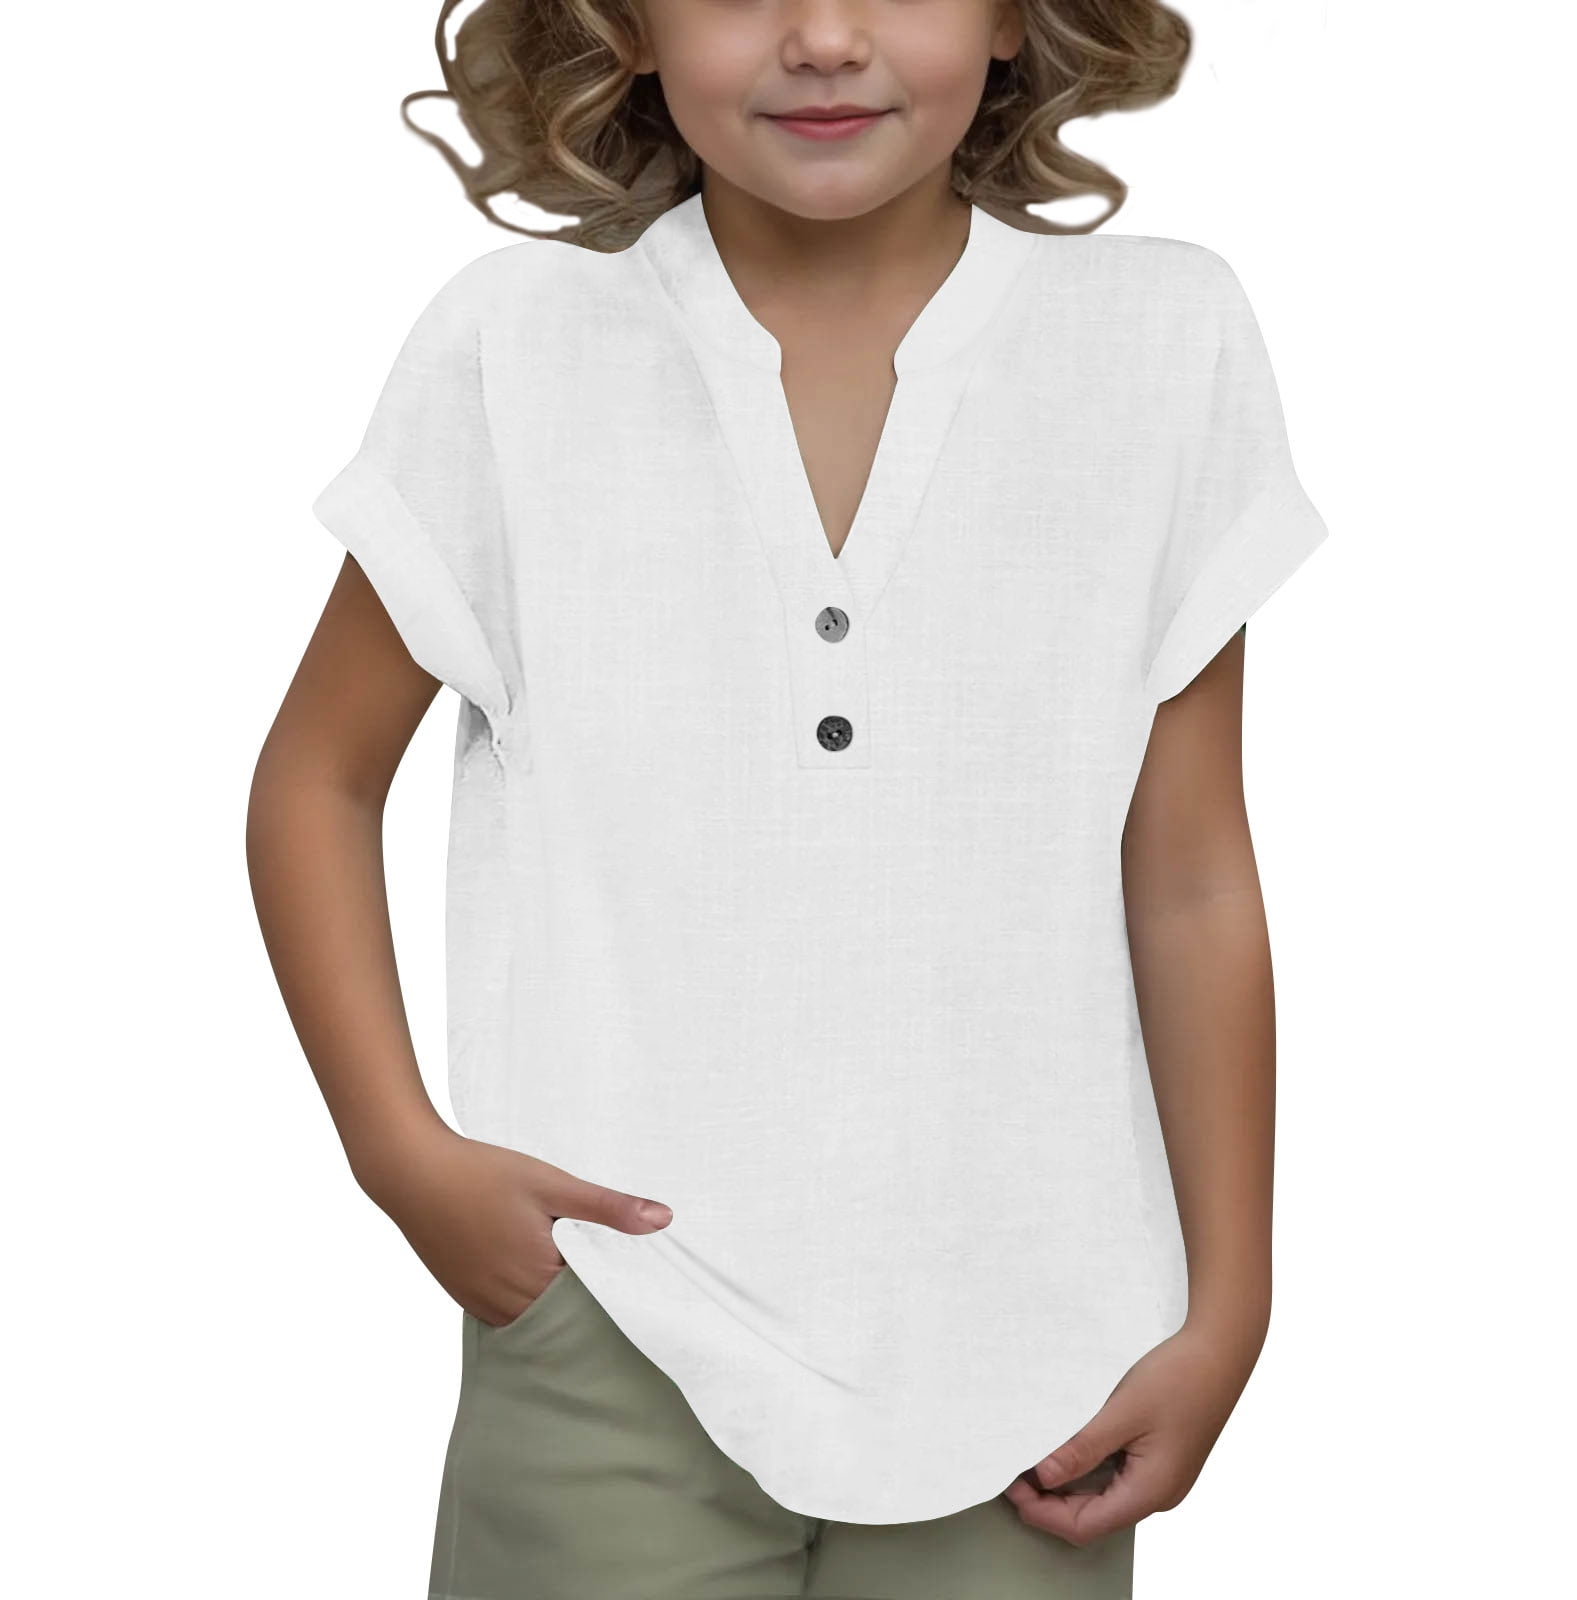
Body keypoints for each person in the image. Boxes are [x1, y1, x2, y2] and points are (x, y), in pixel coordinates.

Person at [247, 0, 1330, 1594]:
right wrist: (400, 1155)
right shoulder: (515, 346)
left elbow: (1189, 876)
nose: (824, 36)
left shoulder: (1162, 343)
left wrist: (1228, 1310)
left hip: (1038, 1360)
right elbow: (318, 778)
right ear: (625, 26)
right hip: (615, 1321)